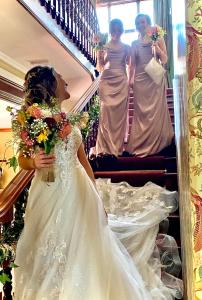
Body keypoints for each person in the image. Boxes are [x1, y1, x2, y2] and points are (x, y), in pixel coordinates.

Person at [14, 66, 182, 299]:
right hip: (49, 192)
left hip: (79, 191)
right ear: (51, 86)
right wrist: (34, 162)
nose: (65, 81)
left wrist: (96, 197)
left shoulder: (68, 119)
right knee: (51, 244)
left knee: (84, 245)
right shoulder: (33, 119)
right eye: (60, 77)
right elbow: (22, 158)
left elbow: (84, 162)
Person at [125, 14, 174, 157]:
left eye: (142, 22)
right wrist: (130, 81)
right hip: (140, 80)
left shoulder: (157, 37)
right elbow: (132, 65)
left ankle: (158, 141)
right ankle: (142, 142)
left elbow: (164, 59)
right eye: (137, 23)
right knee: (142, 114)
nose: (140, 25)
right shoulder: (134, 43)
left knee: (156, 111)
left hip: (154, 78)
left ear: (148, 23)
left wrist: (157, 49)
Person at [95, 19, 130, 157]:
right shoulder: (104, 46)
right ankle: (105, 149)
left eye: (118, 28)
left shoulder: (127, 47)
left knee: (119, 117)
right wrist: (98, 50)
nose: (116, 31)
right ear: (110, 30)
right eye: (113, 28)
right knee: (106, 115)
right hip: (107, 81)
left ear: (121, 30)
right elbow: (100, 66)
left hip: (121, 81)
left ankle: (117, 147)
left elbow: (130, 65)